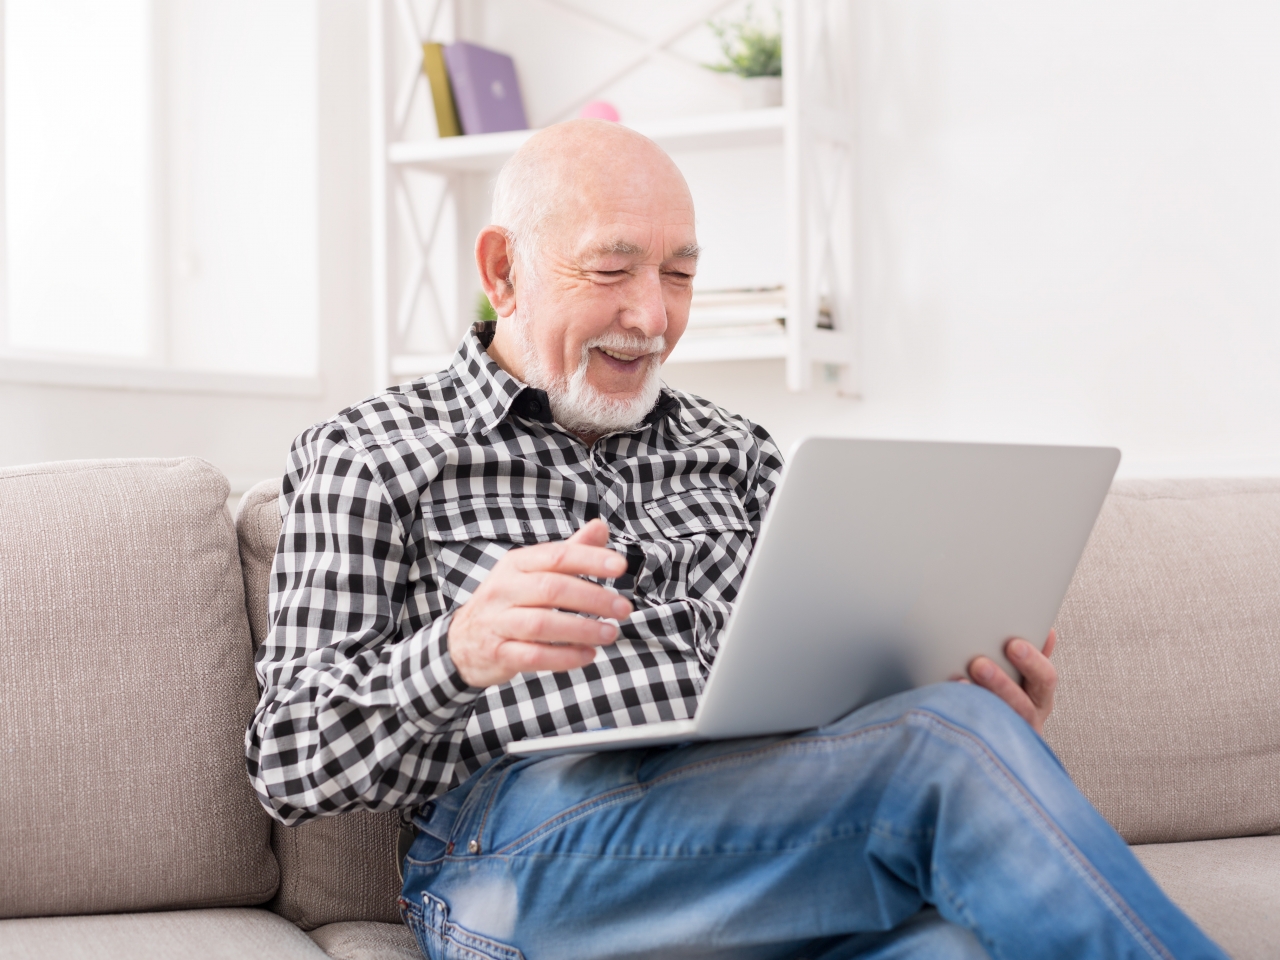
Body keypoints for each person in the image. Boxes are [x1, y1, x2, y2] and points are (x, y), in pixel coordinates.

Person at [247, 119, 1225, 959]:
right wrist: (455, 652)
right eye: (611, 268)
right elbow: (288, 761)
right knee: (942, 747)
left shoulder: (737, 451)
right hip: (512, 855)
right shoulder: (369, 452)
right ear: (503, 270)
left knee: (966, 937)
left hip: (760, 832)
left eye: (678, 275)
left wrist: (967, 709)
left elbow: (821, 687)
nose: (651, 317)